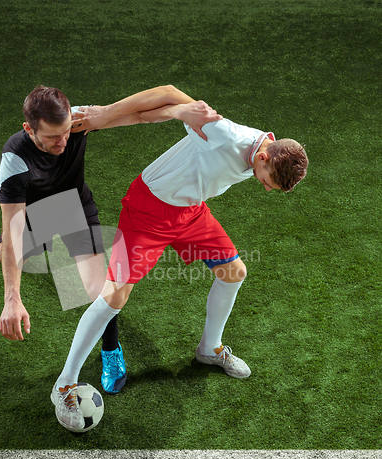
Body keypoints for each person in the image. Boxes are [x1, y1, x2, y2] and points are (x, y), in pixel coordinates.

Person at [51, 101, 309, 431]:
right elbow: (171, 95)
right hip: (149, 210)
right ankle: (64, 384)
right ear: (263, 157)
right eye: (266, 181)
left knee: (234, 272)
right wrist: (105, 114)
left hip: (189, 212)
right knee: (115, 296)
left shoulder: (267, 151)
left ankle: (209, 349)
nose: (264, 187)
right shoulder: (225, 133)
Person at [0, 84, 220, 396]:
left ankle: (111, 351)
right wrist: (12, 297)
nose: (62, 141)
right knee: (7, 251)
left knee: (100, 289)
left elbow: (146, 109)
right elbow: (15, 232)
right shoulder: (14, 160)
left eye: (65, 133)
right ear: (28, 128)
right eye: (52, 137)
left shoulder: (76, 120)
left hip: (75, 207)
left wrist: (178, 111)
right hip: (35, 214)